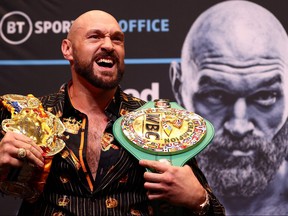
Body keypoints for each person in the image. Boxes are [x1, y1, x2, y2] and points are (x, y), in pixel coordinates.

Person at [0, 10, 225, 215]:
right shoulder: (28, 116)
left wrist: (199, 199)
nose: (109, 45)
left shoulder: (159, 121)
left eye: (117, 39)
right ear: (67, 49)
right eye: (95, 36)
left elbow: (214, 210)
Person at [169, 0, 288, 215]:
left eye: (265, 96)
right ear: (179, 86)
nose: (239, 127)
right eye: (216, 95)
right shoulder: (141, 198)